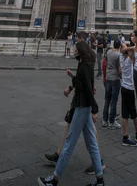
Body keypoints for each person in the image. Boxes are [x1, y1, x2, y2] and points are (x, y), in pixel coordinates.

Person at [38, 41, 104, 186]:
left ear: (81, 51)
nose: (74, 52)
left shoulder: (85, 66)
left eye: (75, 50)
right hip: (83, 107)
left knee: (68, 143)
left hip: (82, 107)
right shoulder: (84, 64)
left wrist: (94, 108)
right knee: (92, 143)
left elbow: (87, 88)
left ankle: (54, 179)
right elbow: (81, 83)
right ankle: (100, 179)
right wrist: (72, 77)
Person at [120, 42, 137, 146]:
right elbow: (131, 52)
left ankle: (125, 136)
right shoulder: (129, 60)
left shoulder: (121, 58)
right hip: (129, 89)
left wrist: (127, 48)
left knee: (125, 114)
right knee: (134, 113)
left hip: (123, 88)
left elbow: (122, 51)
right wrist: (134, 46)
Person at [102, 40, 121, 129]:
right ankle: (112, 121)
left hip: (108, 78)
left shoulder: (109, 52)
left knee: (107, 99)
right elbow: (119, 68)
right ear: (119, 46)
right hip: (115, 78)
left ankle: (104, 120)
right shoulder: (118, 55)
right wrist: (121, 77)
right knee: (114, 100)